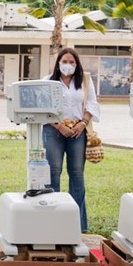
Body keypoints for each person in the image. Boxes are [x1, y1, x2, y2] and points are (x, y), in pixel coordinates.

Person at [44, 47, 100, 233]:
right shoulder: (48, 81)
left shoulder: (84, 81)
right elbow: (44, 107)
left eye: (72, 62)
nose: (68, 65)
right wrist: (59, 126)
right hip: (54, 131)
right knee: (53, 172)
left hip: (78, 132)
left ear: (77, 65)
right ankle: (52, 221)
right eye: (65, 61)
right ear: (58, 63)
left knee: (76, 174)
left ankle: (77, 224)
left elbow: (91, 103)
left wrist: (82, 124)